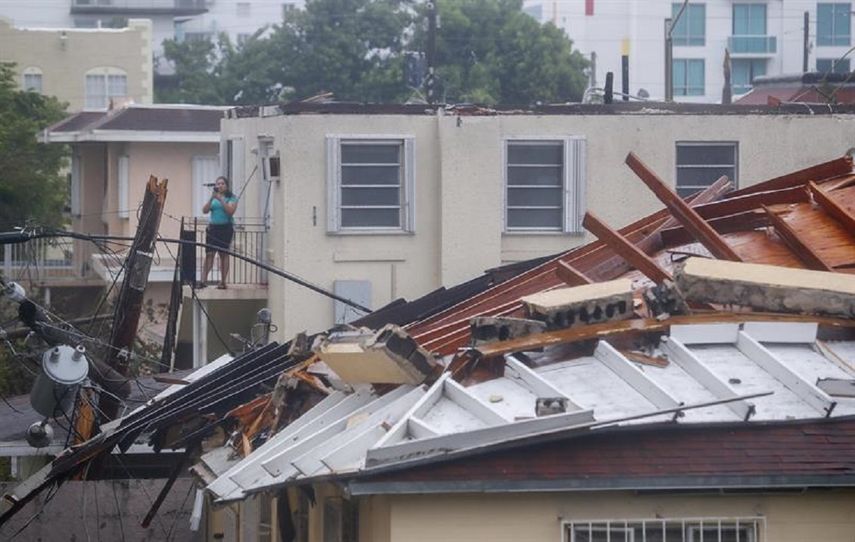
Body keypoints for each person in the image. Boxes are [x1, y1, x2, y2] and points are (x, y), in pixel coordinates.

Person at [200, 176, 238, 289]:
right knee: (209, 254)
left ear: (226, 186)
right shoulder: (214, 198)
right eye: (218, 184)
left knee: (223, 254)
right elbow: (205, 210)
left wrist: (221, 200)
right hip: (213, 229)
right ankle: (203, 280)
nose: (220, 186)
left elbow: (230, 211)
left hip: (225, 228)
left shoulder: (231, 198)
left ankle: (223, 281)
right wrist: (212, 198)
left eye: (222, 184)